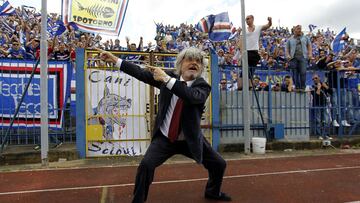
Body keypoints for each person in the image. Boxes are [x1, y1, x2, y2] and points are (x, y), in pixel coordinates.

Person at [98, 47, 231, 203]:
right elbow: (140, 73)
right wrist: (115, 60)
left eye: (198, 61)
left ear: (201, 68)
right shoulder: (167, 77)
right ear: (180, 64)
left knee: (219, 164)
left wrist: (167, 80)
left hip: (190, 140)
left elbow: (191, 97)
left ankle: (212, 192)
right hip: (165, 137)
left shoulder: (202, 86)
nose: (194, 63)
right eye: (190, 60)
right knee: (146, 166)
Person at [286, 25, 312, 91]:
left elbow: (309, 46)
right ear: (294, 30)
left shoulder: (306, 38)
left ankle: (303, 87)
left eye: (300, 29)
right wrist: (288, 55)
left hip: (303, 57)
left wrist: (310, 54)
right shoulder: (290, 39)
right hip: (293, 58)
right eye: (298, 29)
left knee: (303, 72)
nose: (300, 30)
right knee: (295, 73)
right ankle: (297, 87)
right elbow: (287, 49)